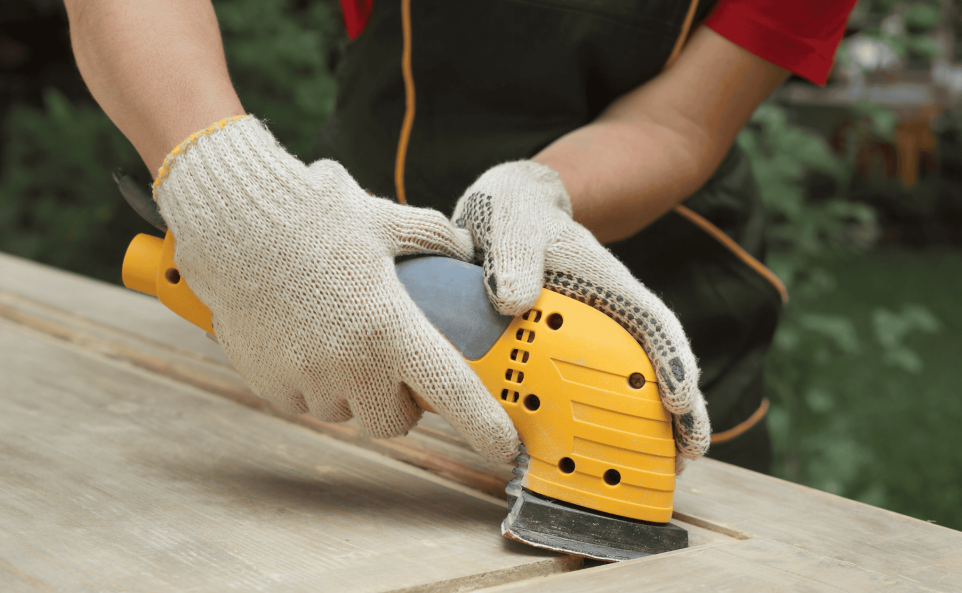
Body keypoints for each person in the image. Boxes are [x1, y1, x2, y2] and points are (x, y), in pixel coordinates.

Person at [63, 0, 856, 474]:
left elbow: (680, 120)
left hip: (664, 289)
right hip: (334, 282)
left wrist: (543, 191)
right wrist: (228, 188)